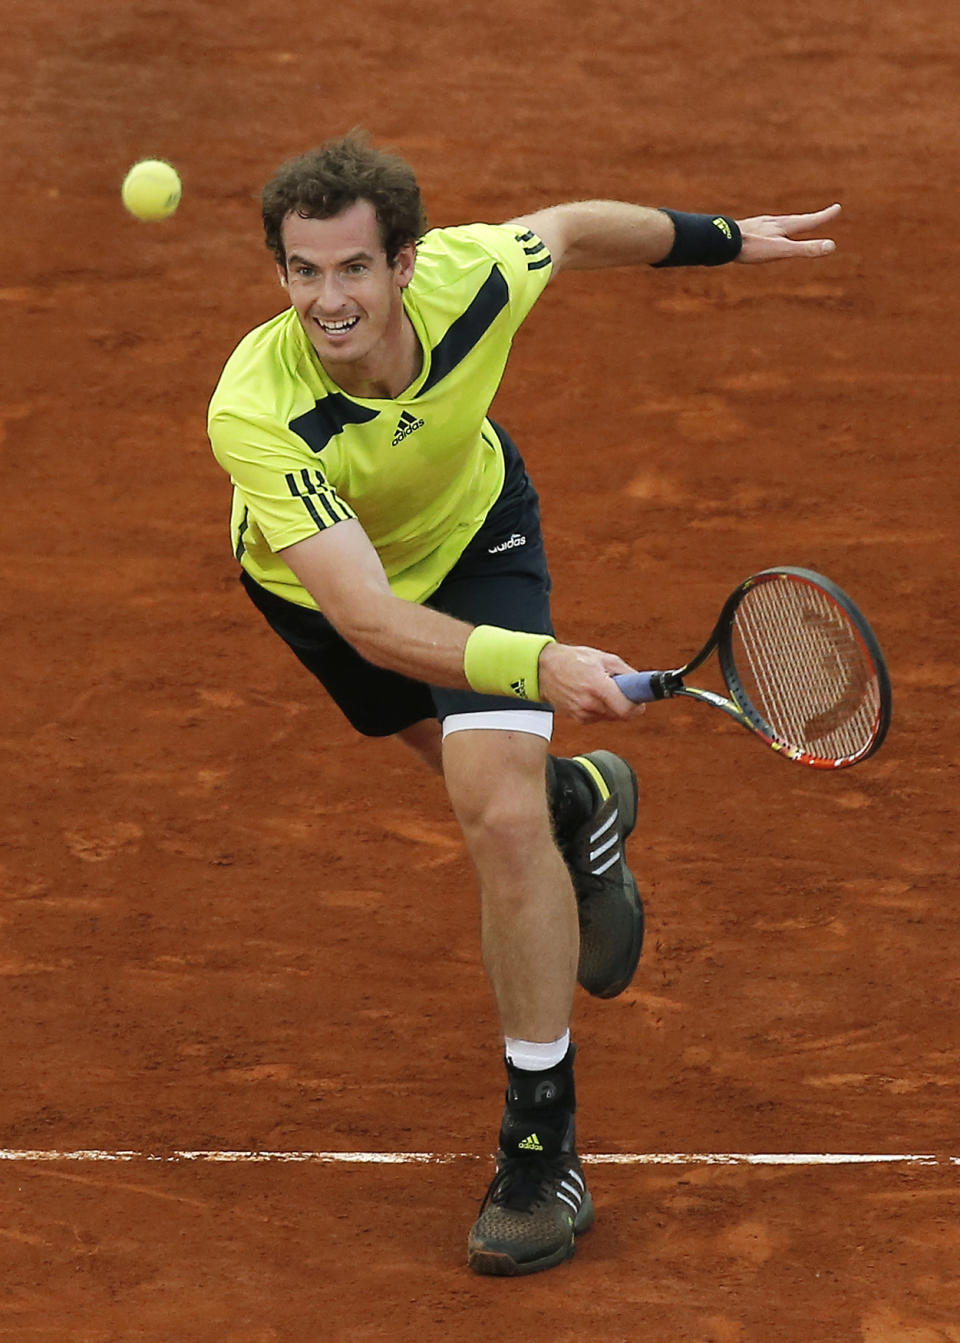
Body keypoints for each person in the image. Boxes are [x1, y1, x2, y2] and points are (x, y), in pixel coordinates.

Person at [207, 130, 840, 1277]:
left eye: (352, 268)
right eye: (303, 271)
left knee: (495, 816)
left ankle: (540, 1141)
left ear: (405, 261)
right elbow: (367, 622)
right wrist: (538, 669)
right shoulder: (257, 407)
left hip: (476, 542)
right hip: (326, 590)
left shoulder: (471, 276)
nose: (327, 299)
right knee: (476, 769)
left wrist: (725, 240)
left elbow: (575, 226)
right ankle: (580, 794)